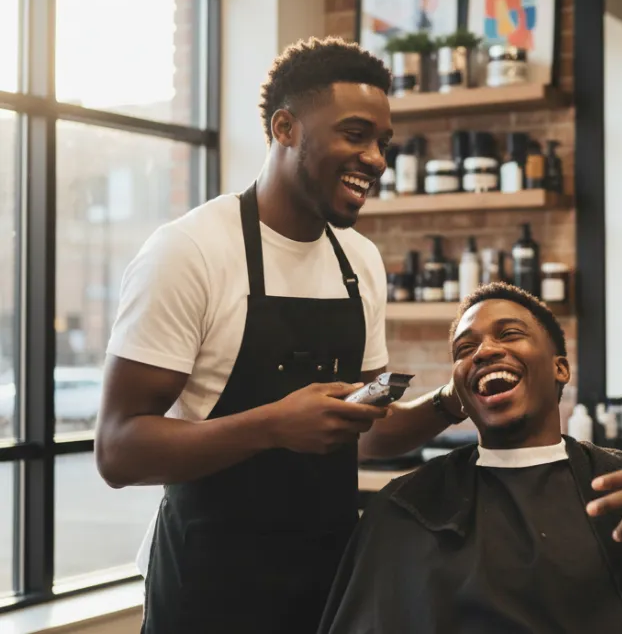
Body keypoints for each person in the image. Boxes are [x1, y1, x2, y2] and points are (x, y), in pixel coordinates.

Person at [94, 38, 468, 633]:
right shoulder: (189, 252)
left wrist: (452, 402)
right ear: (286, 127)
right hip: (207, 590)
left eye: (383, 143)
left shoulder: (360, 260)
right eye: (355, 134)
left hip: (325, 587)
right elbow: (117, 450)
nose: (375, 158)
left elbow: (363, 436)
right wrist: (272, 425)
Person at [318, 282, 622, 634]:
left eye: (509, 333)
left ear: (560, 368)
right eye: (466, 348)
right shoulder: (407, 508)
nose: (485, 350)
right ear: (459, 387)